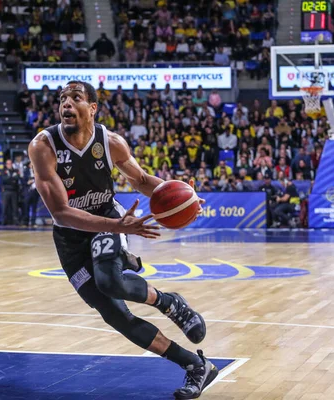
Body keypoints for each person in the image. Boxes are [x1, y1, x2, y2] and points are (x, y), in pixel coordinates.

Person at [28, 81, 217, 400]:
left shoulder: (110, 141)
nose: (66, 104)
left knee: (109, 281)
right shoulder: (43, 146)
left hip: (107, 221)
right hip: (72, 237)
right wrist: (119, 225)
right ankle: (196, 366)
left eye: (76, 98)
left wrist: (187, 199)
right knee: (114, 314)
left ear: (92, 108)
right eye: (62, 99)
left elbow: (143, 181)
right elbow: (61, 213)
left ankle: (168, 302)